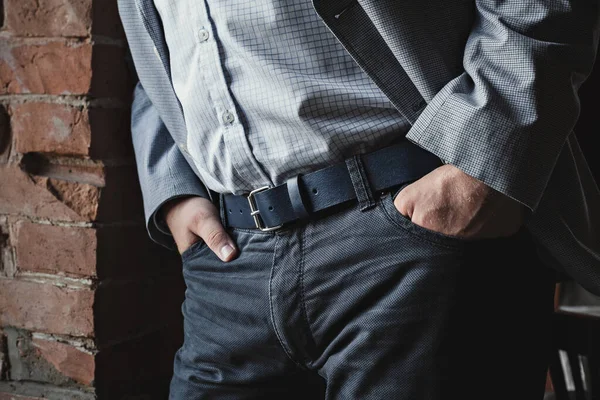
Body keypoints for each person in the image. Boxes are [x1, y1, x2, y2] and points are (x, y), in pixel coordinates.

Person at [117, 0, 600, 398]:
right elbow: (161, 51)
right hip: (230, 262)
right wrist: (173, 187)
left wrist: (480, 163)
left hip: (409, 237)